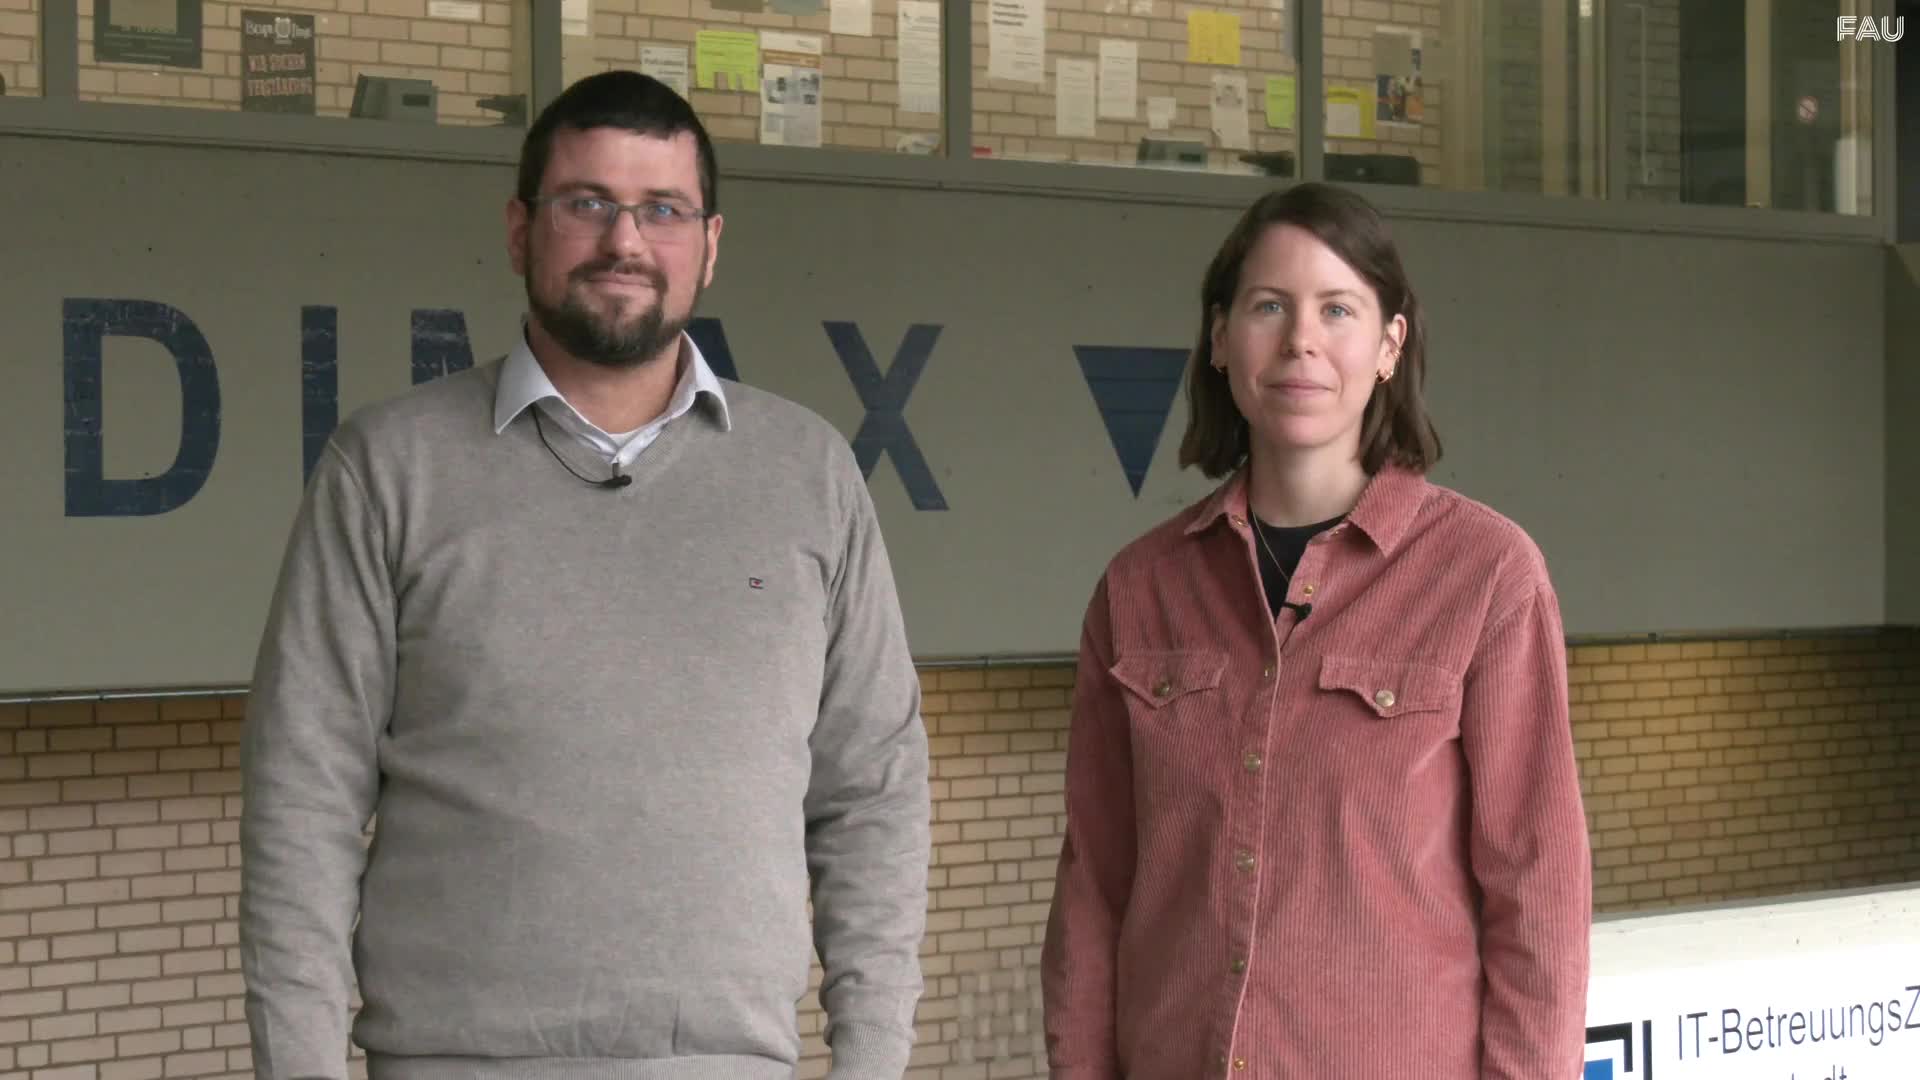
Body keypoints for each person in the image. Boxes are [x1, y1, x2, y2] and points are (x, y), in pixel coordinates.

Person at [239, 71, 931, 1080]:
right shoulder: (389, 466)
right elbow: (302, 799)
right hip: (452, 1061)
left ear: (710, 245)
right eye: (587, 203)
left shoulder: (808, 471)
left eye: (664, 209)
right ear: (520, 229)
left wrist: (871, 1063)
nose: (625, 242)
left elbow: (872, 793)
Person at [1040, 182, 1591, 1079]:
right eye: (1269, 306)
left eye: (1338, 309)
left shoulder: (1487, 576)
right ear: (1220, 338)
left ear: (1390, 344)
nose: (1301, 339)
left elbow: (1538, 896)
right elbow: (1094, 890)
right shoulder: (1138, 589)